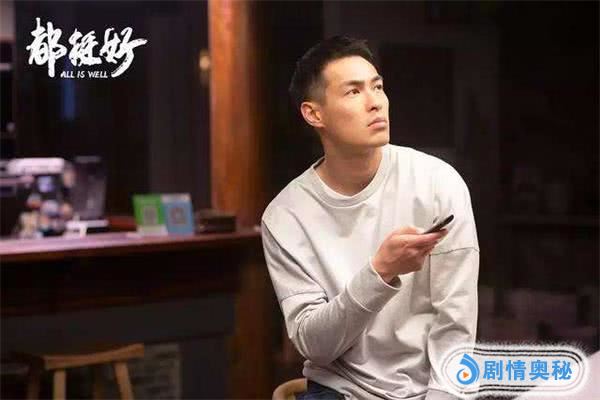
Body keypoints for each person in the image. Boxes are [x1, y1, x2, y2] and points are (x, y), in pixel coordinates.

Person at [261, 36, 479, 400]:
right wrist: (380, 272)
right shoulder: (285, 216)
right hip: (338, 390)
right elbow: (315, 346)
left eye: (377, 87)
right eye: (353, 91)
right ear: (314, 114)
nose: (375, 102)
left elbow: (455, 325)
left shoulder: (438, 184)